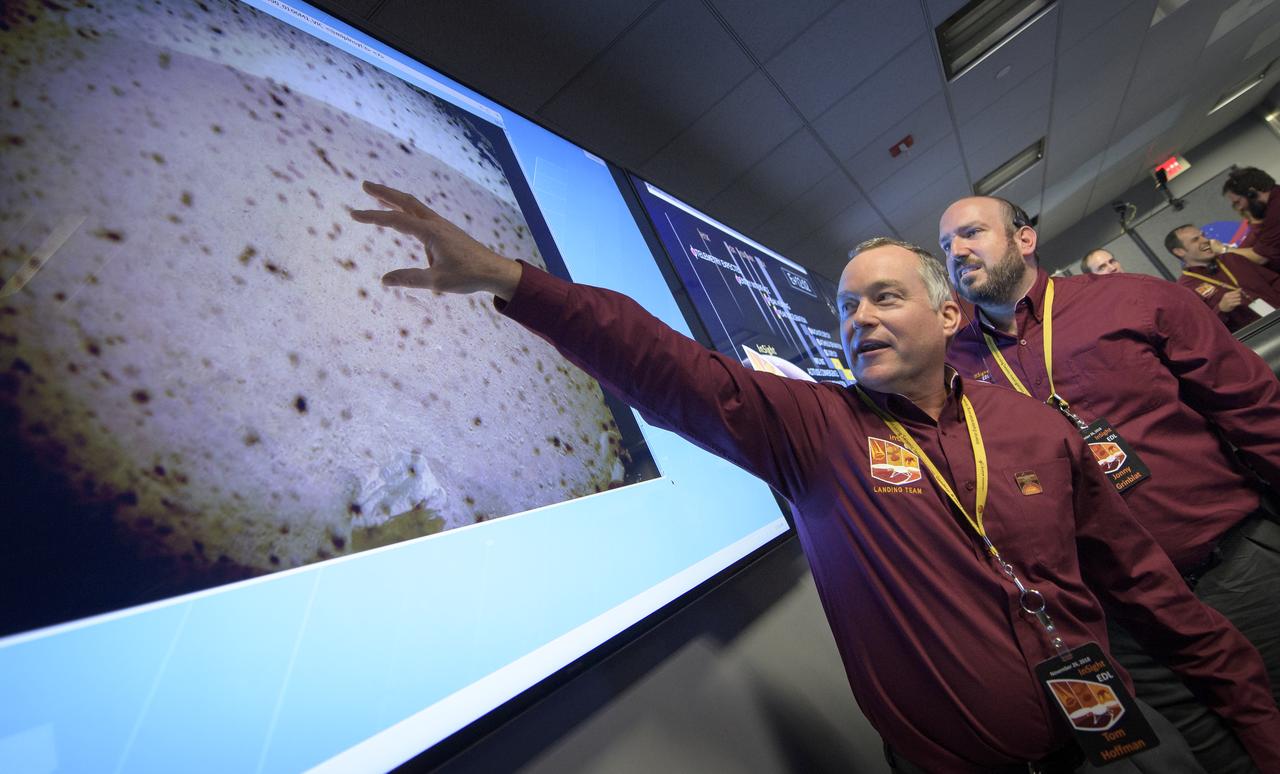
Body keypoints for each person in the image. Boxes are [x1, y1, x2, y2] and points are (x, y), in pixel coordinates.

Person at [350, 181, 1280, 773]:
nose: (859, 318)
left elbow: (1154, 597)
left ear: (949, 318)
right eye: (845, 307)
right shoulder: (818, 431)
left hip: (1110, 745)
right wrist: (513, 280)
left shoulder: (1033, 431)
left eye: (885, 297)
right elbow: (668, 366)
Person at [940, 195, 1280, 773]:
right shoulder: (954, 373)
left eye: (972, 233)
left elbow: (1255, 413)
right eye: (946, 246)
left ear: (1025, 238)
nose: (957, 251)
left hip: (1233, 572)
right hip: (1125, 628)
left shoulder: (1135, 300)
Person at [1166, 223, 1280, 331]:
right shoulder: (1185, 289)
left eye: (1203, 235)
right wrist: (1221, 309)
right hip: (1258, 336)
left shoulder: (1232, 258)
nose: (1205, 240)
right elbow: (1202, 330)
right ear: (1180, 251)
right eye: (1196, 239)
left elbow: (1274, 280)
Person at [1223, 167, 1280, 271]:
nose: (1240, 208)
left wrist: (1222, 249)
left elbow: (1261, 257)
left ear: (1252, 193)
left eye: (1238, 202)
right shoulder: (1272, 204)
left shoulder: (1276, 210)